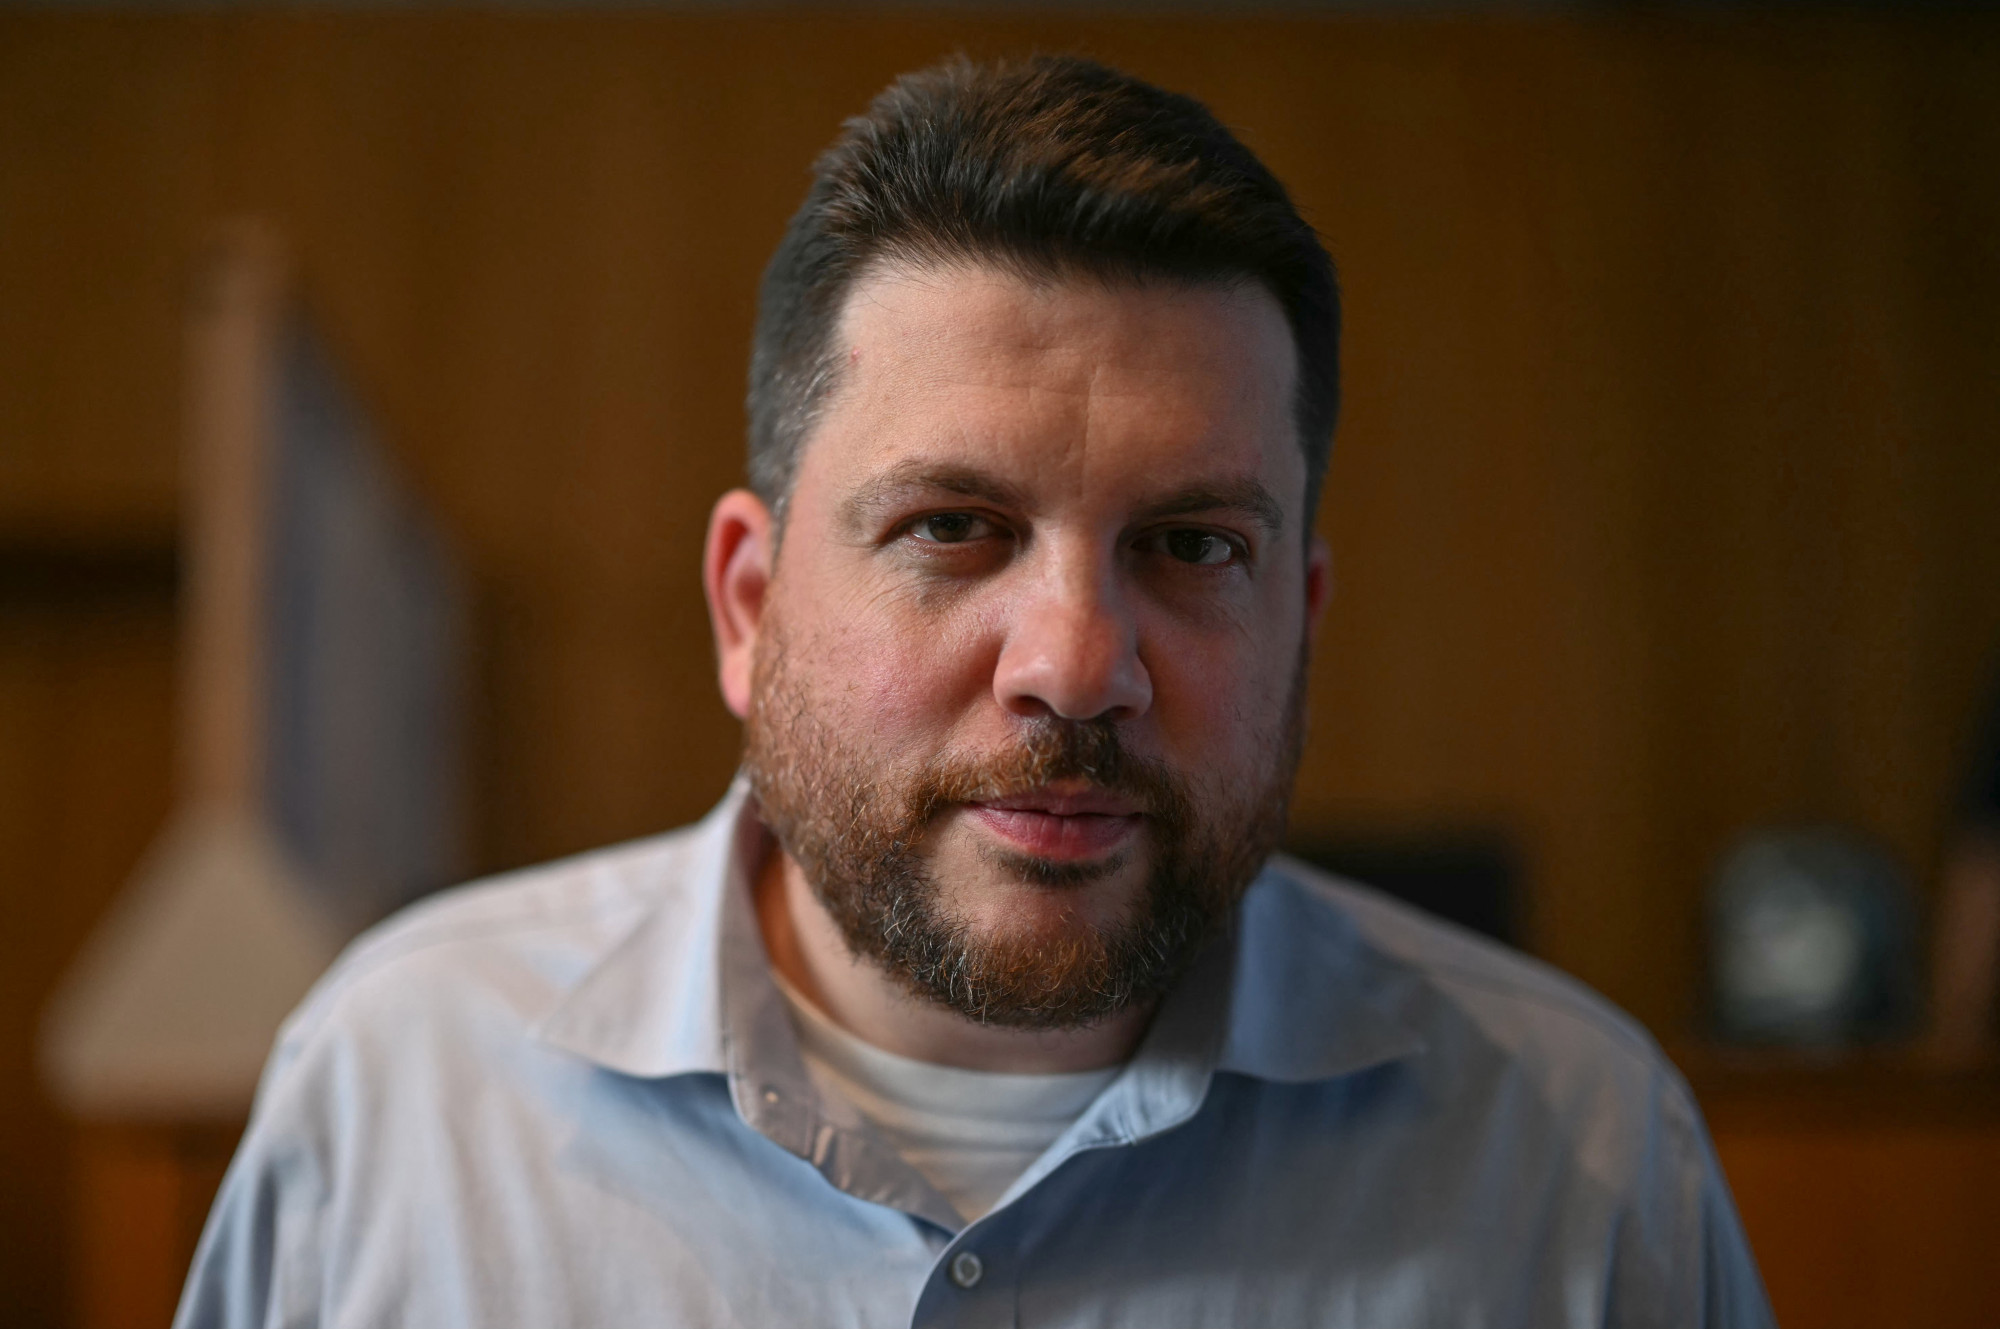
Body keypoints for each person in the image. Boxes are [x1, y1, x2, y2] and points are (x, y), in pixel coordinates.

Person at [177, 55, 1773, 1328]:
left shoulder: (1583, 1168)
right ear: (749, 606)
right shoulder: (399, 1098)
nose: (1074, 663)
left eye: (1192, 545)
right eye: (953, 527)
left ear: (1302, 618)